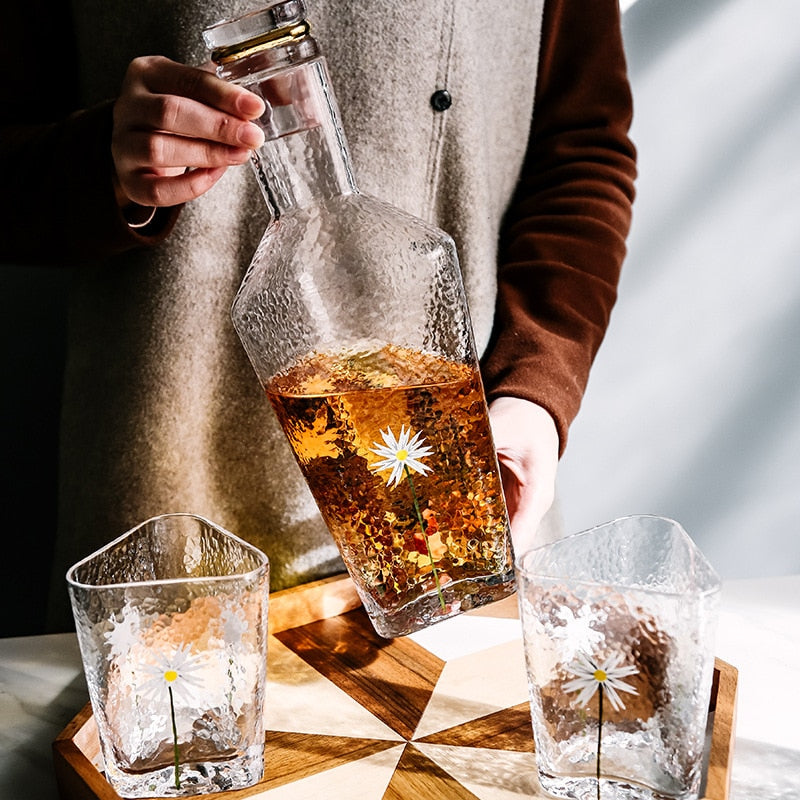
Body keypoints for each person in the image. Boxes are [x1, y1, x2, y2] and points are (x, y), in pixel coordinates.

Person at [0, 0, 636, 632]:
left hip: (464, 508)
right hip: (168, 507)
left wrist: (535, 391)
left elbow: (581, 149)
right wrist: (105, 161)